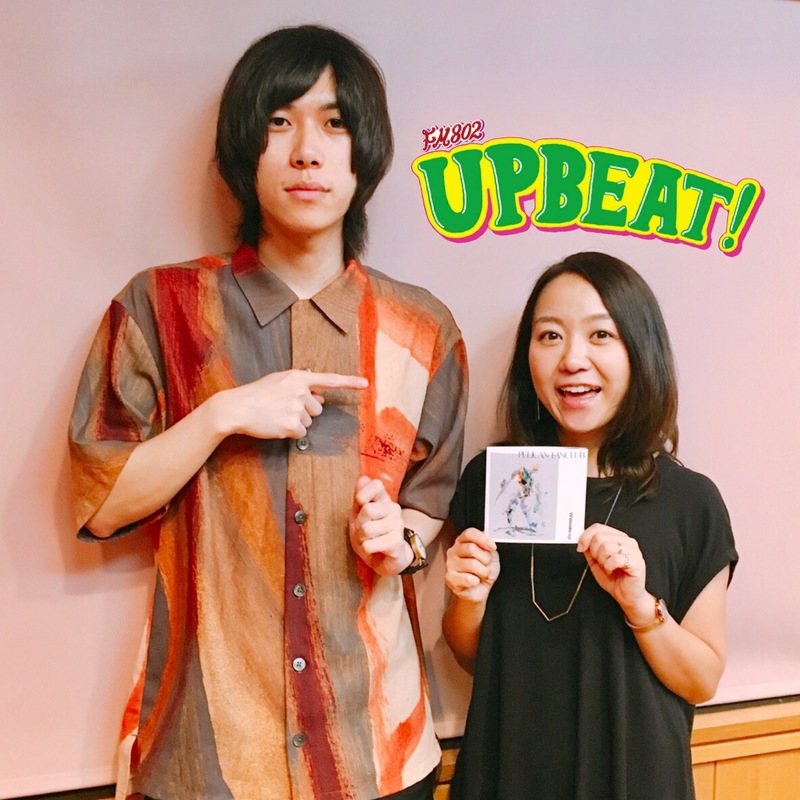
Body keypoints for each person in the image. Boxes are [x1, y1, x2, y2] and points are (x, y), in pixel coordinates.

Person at [69, 25, 467, 800]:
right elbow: (101, 501)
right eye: (280, 122)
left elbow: (431, 502)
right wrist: (219, 416)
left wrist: (400, 540)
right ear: (244, 148)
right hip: (205, 756)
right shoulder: (160, 307)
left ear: (365, 152)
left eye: (334, 123)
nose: (307, 151)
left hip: (377, 752)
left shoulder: (423, 328)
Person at [442, 252, 736, 800]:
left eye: (601, 335)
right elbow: (472, 654)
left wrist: (639, 607)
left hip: (635, 779)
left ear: (640, 352)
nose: (572, 359)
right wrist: (469, 599)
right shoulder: (492, 481)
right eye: (550, 336)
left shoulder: (691, 501)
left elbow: (702, 679)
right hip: (506, 772)